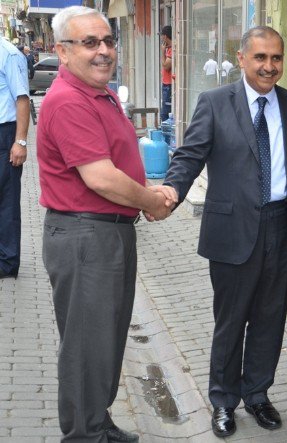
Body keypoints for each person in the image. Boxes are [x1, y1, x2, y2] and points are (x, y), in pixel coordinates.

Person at [161, 26, 287, 438]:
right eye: (260, 57)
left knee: (270, 319)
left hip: (280, 226)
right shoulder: (215, 102)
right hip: (232, 230)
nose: (269, 66)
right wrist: (169, 193)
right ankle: (224, 401)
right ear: (242, 58)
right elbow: (190, 154)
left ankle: (258, 395)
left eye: (276, 58)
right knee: (231, 321)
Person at [36, 6, 174, 441]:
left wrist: (151, 192)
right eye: (89, 43)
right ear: (62, 50)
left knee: (106, 341)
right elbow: (100, 177)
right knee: (85, 346)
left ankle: (97, 422)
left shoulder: (102, 93)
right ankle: (82, 434)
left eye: (108, 41)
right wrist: (152, 200)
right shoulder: (68, 101)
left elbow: (119, 164)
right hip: (85, 236)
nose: (103, 51)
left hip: (107, 232)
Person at [0, 37, 29, 279]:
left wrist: (20, 141)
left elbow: (22, 99)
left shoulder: (8, 54)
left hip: (5, 133)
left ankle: (8, 263)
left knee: (7, 200)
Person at [160, 25, 172, 122]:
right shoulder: (168, 48)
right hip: (165, 84)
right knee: (163, 111)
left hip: (169, 86)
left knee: (165, 113)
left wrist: (163, 52)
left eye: (162, 35)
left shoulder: (171, 50)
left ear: (165, 36)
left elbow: (166, 66)